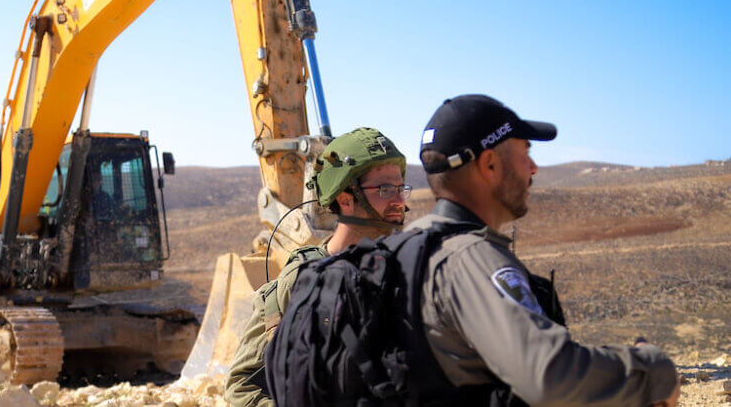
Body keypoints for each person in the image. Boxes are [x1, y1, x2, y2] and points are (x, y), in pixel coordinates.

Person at [409, 94, 680, 406]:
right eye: (525, 152)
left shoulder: (410, 245)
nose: (534, 168)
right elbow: (550, 375)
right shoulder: (471, 258)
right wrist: (652, 372)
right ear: (490, 164)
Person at [225, 127, 410, 407]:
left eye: (400, 189)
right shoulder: (302, 280)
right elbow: (243, 386)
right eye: (385, 190)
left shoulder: (406, 271)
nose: (398, 201)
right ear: (345, 198)